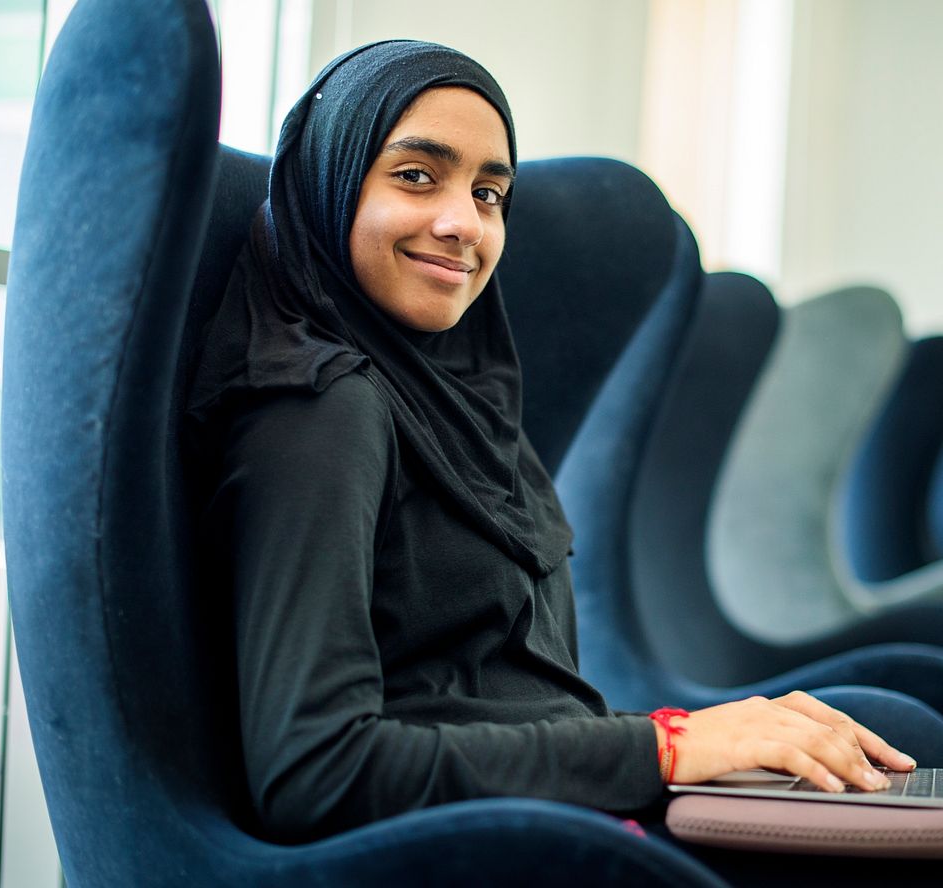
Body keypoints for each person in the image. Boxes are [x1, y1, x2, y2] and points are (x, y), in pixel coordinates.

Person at [187, 39, 928, 858]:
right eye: (415, 176)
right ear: (327, 184)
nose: (462, 223)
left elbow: (504, 704)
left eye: (490, 192)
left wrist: (697, 744)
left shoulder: (458, 402)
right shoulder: (319, 413)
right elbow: (317, 771)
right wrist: (666, 749)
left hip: (563, 823)